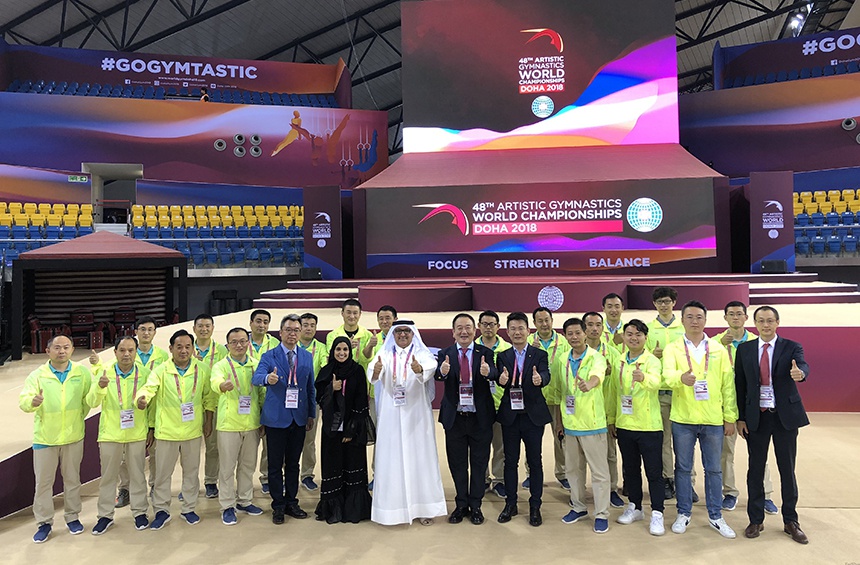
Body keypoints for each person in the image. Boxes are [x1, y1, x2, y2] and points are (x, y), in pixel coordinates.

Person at [662, 301, 737, 539]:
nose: (695, 321)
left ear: (705, 320)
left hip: (713, 419)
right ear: (682, 320)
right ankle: (683, 512)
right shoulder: (673, 348)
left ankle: (716, 515)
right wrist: (680, 378)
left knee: (713, 469)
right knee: (683, 468)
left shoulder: (717, 349)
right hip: (683, 418)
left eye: (699, 317)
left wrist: (729, 417)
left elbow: (728, 386)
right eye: (690, 317)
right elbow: (666, 375)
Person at [735, 306, 810, 544]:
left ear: (777, 322)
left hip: (784, 417)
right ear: (755, 323)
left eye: (770, 320)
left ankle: (791, 520)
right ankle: (755, 520)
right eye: (761, 321)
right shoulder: (745, 349)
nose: (765, 325)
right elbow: (740, 384)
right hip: (756, 418)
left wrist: (801, 374)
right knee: (755, 469)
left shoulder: (792, 346)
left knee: (787, 469)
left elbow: (802, 366)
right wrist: (740, 417)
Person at [369, 319, 446, 526]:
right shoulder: (385, 353)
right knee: (391, 460)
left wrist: (420, 369)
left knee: (420, 459)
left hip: (416, 417)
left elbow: (431, 367)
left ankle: (424, 508)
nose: (402, 334)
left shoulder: (421, 353)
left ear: (413, 334)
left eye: (406, 331)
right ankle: (392, 512)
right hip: (391, 417)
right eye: (399, 331)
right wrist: (376, 371)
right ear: (393, 334)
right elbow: (373, 372)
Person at [19, 335, 94, 543]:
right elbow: (24, 401)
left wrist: (76, 419)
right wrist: (33, 402)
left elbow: (89, 400)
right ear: (48, 351)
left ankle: (72, 517)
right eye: (57, 348)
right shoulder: (37, 375)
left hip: (73, 436)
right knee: (43, 483)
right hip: (45, 438)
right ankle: (44, 522)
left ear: (72, 350)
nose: (62, 351)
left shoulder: (82, 373)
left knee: (72, 480)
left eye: (66, 347)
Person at [135, 329, 214, 529]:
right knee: (162, 474)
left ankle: (189, 508)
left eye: (188, 347)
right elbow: (149, 387)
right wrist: (142, 399)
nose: (183, 350)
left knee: (191, 473)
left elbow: (208, 398)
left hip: (192, 431)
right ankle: (161, 511)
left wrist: (208, 421)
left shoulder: (203, 369)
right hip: (167, 432)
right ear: (171, 349)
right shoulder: (160, 370)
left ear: (193, 349)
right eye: (179, 347)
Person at [713, 301, 777, 514]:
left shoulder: (755, 341)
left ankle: (765, 494)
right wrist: (720, 344)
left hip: (752, 405)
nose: (735, 317)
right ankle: (729, 492)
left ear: (746, 318)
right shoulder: (714, 342)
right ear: (725, 318)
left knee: (759, 453)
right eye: (731, 314)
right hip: (726, 405)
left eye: (739, 314)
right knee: (726, 452)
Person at [252, 314, 316, 525]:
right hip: (276, 418)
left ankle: (291, 502)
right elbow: (256, 377)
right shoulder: (269, 356)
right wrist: (267, 378)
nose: (292, 334)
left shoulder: (306, 356)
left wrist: (311, 413)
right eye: (288, 330)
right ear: (280, 332)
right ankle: (278, 505)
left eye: (296, 330)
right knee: (274, 464)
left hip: (299, 417)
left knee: (293, 464)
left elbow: (310, 387)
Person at [435, 313, 496, 525]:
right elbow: (438, 375)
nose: (464, 332)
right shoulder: (445, 353)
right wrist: (442, 372)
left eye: (468, 327)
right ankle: (461, 504)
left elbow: (494, 372)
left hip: (480, 418)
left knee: (479, 463)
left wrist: (489, 372)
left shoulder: (485, 353)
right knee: (457, 463)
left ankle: (476, 505)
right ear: (453, 332)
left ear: (474, 330)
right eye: (459, 328)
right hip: (455, 419)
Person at [607, 320, 666, 536]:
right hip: (625, 424)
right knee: (631, 469)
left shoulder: (652, 360)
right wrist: (612, 418)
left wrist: (644, 378)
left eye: (638, 334)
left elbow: (657, 383)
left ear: (645, 338)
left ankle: (657, 512)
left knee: (654, 472)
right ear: (624, 337)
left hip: (649, 426)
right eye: (630, 334)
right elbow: (614, 391)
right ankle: (635, 506)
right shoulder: (619, 360)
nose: (634, 338)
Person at [87, 336, 151, 534]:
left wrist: (150, 427)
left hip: (136, 433)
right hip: (110, 434)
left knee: (138, 475)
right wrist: (100, 387)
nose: (126, 354)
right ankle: (105, 516)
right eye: (122, 350)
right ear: (115, 352)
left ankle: (140, 512)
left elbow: (152, 403)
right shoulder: (104, 372)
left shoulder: (145, 374)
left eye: (131, 350)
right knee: (108, 477)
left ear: (136, 352)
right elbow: (91, 402)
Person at [494, 312, 551, 527]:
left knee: (535, 461)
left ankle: (535, 505)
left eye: (521, 328)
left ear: (528, 331)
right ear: (507, 332)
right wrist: (500, 380)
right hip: (510, 416)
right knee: (510, 461)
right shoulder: (503, 356)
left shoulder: (539, 354)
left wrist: (540, 379)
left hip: (533, 416)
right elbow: (500, 379)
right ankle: (511, 504)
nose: (517, 332)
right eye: (513, 329)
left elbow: (546, 375)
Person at [554, 318, 611, 533]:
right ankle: (578, 507)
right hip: (570, 424)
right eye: (570, 333)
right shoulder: (562, 359)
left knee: (599, 472)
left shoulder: (596, 357)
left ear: (585, 333)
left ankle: (601, 513)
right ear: (565, 336)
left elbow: (598, 375)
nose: (574, 337)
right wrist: (559, 422)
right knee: (573, 470)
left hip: (592, 424)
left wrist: (589, 384)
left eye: (578, 332)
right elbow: (560, 393)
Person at [210, 328, 266, 526]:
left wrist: (263, 419)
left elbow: (262, 393)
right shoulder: (221, 365)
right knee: (227, 467)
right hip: (229, 424)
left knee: (248, 465)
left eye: (243, 341)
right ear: (227, 345)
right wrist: (221, 386)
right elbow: (214, 381)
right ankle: (227, 506)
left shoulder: (256, 365)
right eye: (234, 342)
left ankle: (245, 500)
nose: (239, 345)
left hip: (252, 423)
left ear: (248, 343)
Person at [314, 336, 373, 524]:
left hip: (352, 427)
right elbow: (318, 398)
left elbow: (361, 402)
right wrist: (331, 388)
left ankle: (354, 509)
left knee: (353, 463)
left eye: (345, 350)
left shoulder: (357, 370)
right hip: (332, 428)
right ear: (333, 351)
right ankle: (333, 508)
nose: (341, 353)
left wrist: (351, 429)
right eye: (338, 349)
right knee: (333, 463)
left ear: (350, 351)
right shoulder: (326, 371)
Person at [646, 286, 686, 500]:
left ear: (674, 303)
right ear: (654, 304)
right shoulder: (648, 329)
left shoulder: (684, 327)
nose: (664, 305)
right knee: (664, 440)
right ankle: (667, 478)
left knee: (684, 440)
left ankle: (687, 482)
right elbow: (640, 356)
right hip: (659, 392)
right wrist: (651, 355)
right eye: (660, 301)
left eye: (667, 301)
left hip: (682, 392)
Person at [583, 311, 626, 508]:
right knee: (580, 457)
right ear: (584, 328)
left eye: (598, 325)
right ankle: (579, 492)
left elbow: (618, 387)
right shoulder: (574, 353)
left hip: (605, 413)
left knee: (609, 455)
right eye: (590, 325)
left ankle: (611, 489)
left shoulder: (613, 353)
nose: (594, 329)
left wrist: (614, 416)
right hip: (580, 415)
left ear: (602, 328)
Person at [528, 307, 570, 491]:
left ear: (552, 321)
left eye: (547, 320)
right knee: (531, 439)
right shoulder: (528, 342)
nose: (544, 324)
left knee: (561, 438)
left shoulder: (564, 342)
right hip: (535, 399)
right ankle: (530, 474)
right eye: (540, 321)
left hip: (557, 398)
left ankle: (563, 473)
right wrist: (532, 352)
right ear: (534, 323)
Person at [476, 310, 511, 499]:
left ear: (498, 326)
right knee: (480, 446)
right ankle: (482, 479)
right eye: (485, 324)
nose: (488, 327)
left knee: (501, 447)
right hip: (479, 407)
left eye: (492, 324)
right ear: (479, 326)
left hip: (501, 405)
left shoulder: (507, 349)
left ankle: (499, 480)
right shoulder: (472, 348)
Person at [192, 313, 228, 499]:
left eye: (207, 326)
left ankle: (211, 481)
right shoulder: (186, 349)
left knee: (213, 446)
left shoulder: (222, 350)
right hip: (190, 405)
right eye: (200, 326)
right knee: (189, 450)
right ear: (194, 329)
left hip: (213, 405)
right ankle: (189, 485)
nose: (204, 329)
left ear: (213, 328)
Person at [361, 304, 397, 490]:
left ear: (395, 319)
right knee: (379, 436)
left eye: (388, 318)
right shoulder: (373, 338)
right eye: (381, 318)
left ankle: (396, 475)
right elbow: (366, 357)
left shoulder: (403, 337)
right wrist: (370, 345)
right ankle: (378, 475)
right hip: (378, 397)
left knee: (397, 436)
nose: (384, 321)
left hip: (399, 397)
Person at [247, 309, 278, 494]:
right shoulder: (241, 342)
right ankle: (243, 481)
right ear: (251, 323)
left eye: (265, 322)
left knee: (269, 444)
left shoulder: (275, 344)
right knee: (248, 446)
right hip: (247, 399)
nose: (262, 325)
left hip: (269, 399)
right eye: (258, 321)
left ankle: (266, 477)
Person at [297, 312, 328, 492]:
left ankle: (307, 475)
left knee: (309, 440)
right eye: (305, 325)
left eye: (312, 325)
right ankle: (286, 474)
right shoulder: (290, 346)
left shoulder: (321, 348)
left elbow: (325, 367)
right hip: (291, 401)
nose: (308, 328)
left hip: (311, 400)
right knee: (290, 438)